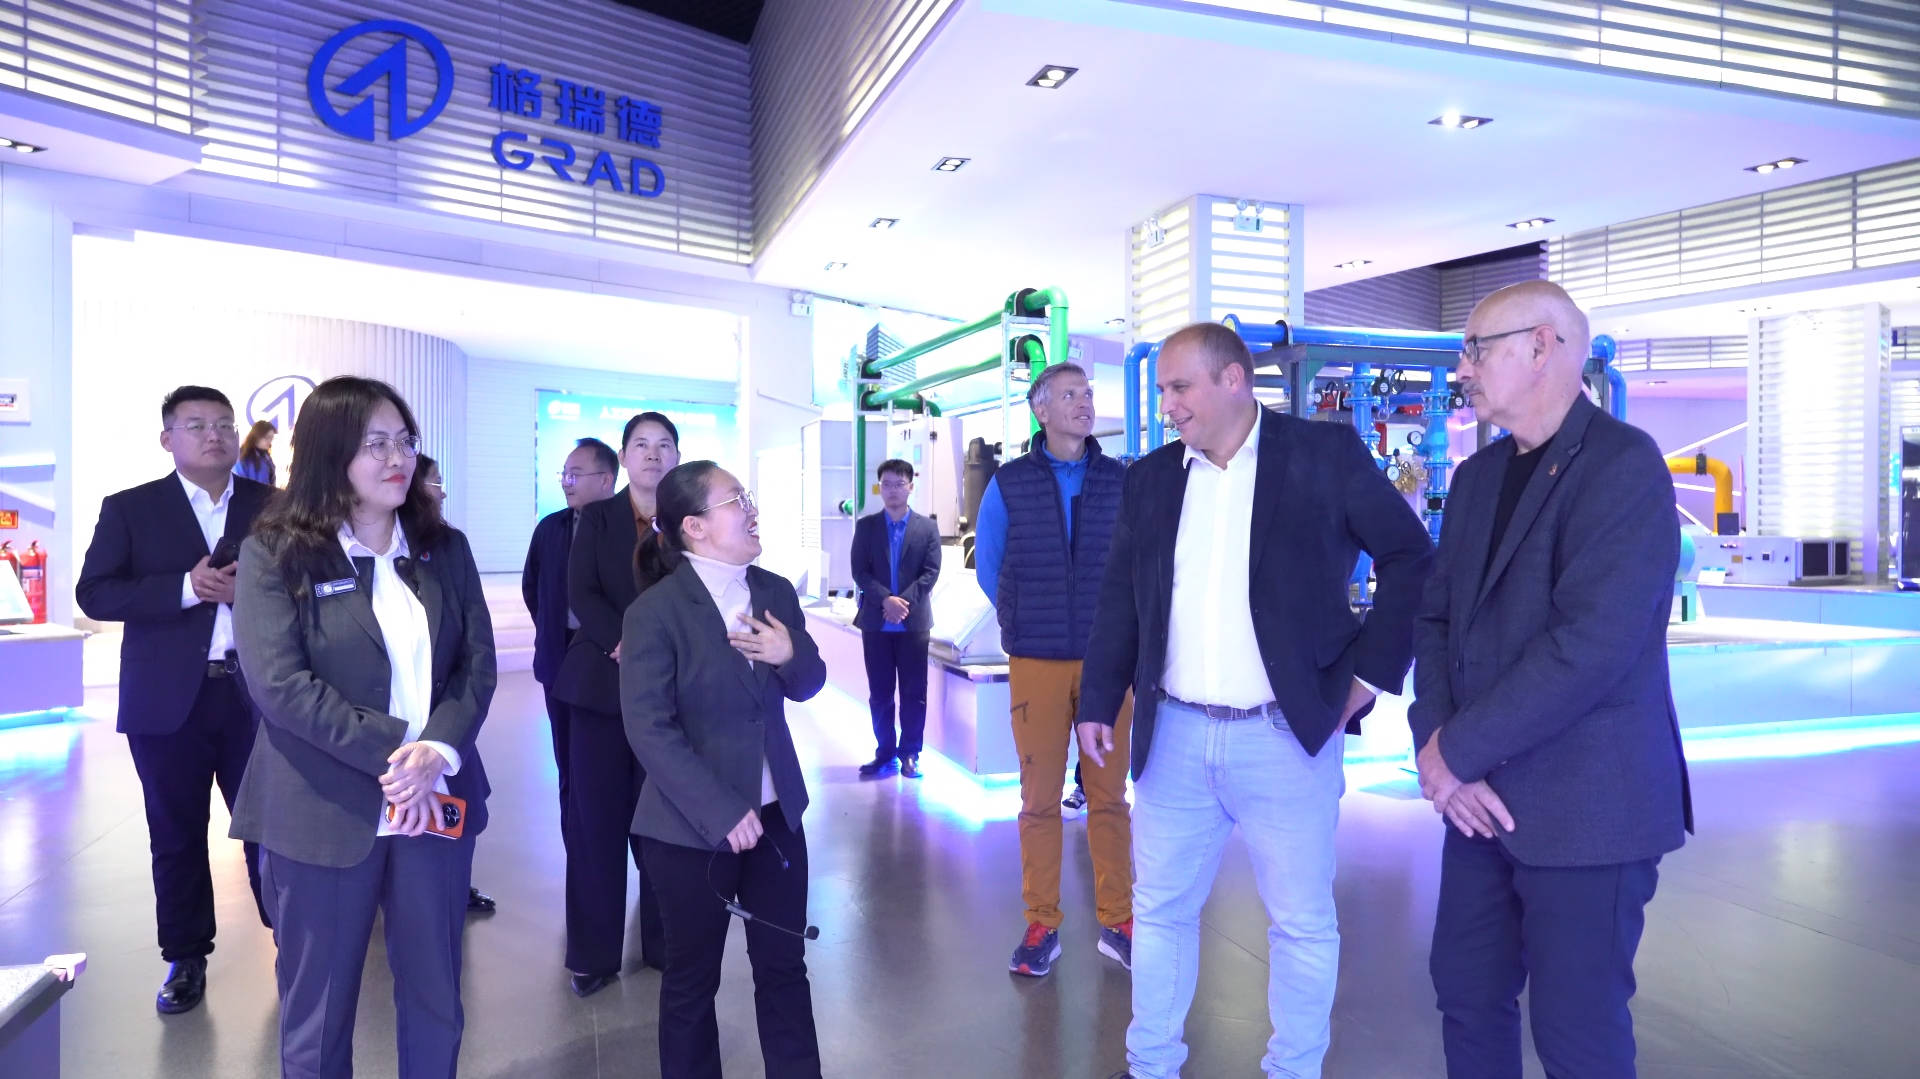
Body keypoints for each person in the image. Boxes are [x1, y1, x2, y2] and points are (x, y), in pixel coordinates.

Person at [1076, 321, 1433, 1079]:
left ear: (1233, 379)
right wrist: (1098, 698)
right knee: (1160, 912)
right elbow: (1121, 598)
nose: (1167, 405)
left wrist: (1368, 679)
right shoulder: (1151, 478)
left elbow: (1412, 557)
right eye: (1163, 389)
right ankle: (1149, 1065)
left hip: (1286, 734)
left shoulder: (1322, 455)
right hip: (1172, 737)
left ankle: (1293, 1069)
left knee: (1301, 923)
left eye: (1181, 387)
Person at [1410, 281, 1691, 1079]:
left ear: (1542, 346)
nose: (1463, 368)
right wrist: (1437, 747)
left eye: (1477, 348)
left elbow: (1592, 646)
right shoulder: (1476, 479)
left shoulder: (1623, 466)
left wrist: (1455, 752)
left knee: (1577, 1034)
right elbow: (1436, 621)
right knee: (1466, 996)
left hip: (1587, 808)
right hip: (1477, 806)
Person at [230, 375, 495, 1077]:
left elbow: (476, 667)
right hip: (322, 807)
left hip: (433, 803)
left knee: (436, 995)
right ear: (330, 451)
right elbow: (280, 686)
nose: (397, 457)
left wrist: (436, 751)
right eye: (375, 443)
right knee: (317, 1012)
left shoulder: (445, 549)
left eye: (404, 440)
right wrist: (399, 753)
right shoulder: (276, 552)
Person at [621, 461, 826, 1079]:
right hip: (687, 829)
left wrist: (790, 653)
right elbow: (649, 728)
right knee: (692, 979)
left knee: (784, 967)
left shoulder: (774, 591)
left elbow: (809, 682)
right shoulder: (655, 612)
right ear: (695, 526)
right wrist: (721, 809)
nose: (752, 509)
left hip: (777, 817)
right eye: (737, 500)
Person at [76, 385, 274, 1015]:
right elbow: (95, 593)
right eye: (196, 425)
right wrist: (185, 588)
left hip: (258, 698)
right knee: (176, 831)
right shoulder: (131, 508)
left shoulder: (273, 507)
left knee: (271, 827)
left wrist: (254, 593)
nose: (214, 435)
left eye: (224, 424)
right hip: (166, 701)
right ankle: (186, 957)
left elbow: (310, 584)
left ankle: (292, 937)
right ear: (168, 439)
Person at [973, 361, 1134, 978]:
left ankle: (1118, 919)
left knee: (1109, 797)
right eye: (1070, 394)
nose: (1084, 402)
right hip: (1036, 660)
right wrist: (1023, 616)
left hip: (1105, 663)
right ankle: (1042, 921)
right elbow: (991, 567)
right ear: (1041, 410)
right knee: (1039, 799)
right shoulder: (1009, 484)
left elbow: (1134, 565)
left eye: (1087, 393)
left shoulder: (1119, 480)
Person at [554, 411, 678, 995]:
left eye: (664, 444)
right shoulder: (598, 517)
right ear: (624, 458)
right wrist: (625, 640)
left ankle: (665, 944)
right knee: (595, 826)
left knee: (665, 826)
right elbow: (580, 591)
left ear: (677, 457)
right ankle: (593, 955)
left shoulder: (691, 520)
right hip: (601, 688)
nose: (653, 454)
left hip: (669, 697)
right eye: (641, 444)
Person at [521, 438, 619, 866]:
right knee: (569, 764)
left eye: (575, 475)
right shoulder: (551, 529)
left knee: (611, 767)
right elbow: (533, 587)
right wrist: (552, 631)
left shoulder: (627, 530)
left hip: (613, 663)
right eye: (564, 474)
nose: (566, 482)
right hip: (560, 661)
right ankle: (578, 854)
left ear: (607, 480)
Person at [417, 453, 498, 915]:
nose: (441, 491)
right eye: (434, 482)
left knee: (456, 824)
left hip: (444, 730)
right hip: (377, 751)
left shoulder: (449, 547)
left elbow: (476, 654)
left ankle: (455, 888)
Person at [849, 458, 942, 779]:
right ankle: (885, 752)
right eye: (885, 484)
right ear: (879, 488)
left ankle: (910, 754)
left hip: (913, 625)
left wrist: (902, 603)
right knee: (880, 693)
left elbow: (931, 572)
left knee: (914, 693)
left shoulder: (927, 528)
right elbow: (859, 570)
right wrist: (885, 599)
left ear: (910, 487)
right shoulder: (866, 527)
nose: (891, 490)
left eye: (898, 484)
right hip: (876, 624)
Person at [235, 420, 277, 486]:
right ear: (257, 437)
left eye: (271, 439)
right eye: (267, 438)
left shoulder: (266, 457)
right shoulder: (242, 457)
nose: (270, 442)